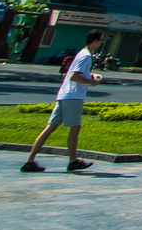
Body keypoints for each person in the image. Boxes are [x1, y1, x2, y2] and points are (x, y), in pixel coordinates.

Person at [22, 29, 106, 173]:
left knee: (51, 127)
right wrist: (91, 83)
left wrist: (91, 76)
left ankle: (30, 161)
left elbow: (78, 73)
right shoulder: (86, 56)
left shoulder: (82, 53)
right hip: (73, 96)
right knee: (75, 128)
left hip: (65, 94)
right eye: (101, 40)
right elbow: (74, 76)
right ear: (95, 41)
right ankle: (73, 161)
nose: (101, 43)